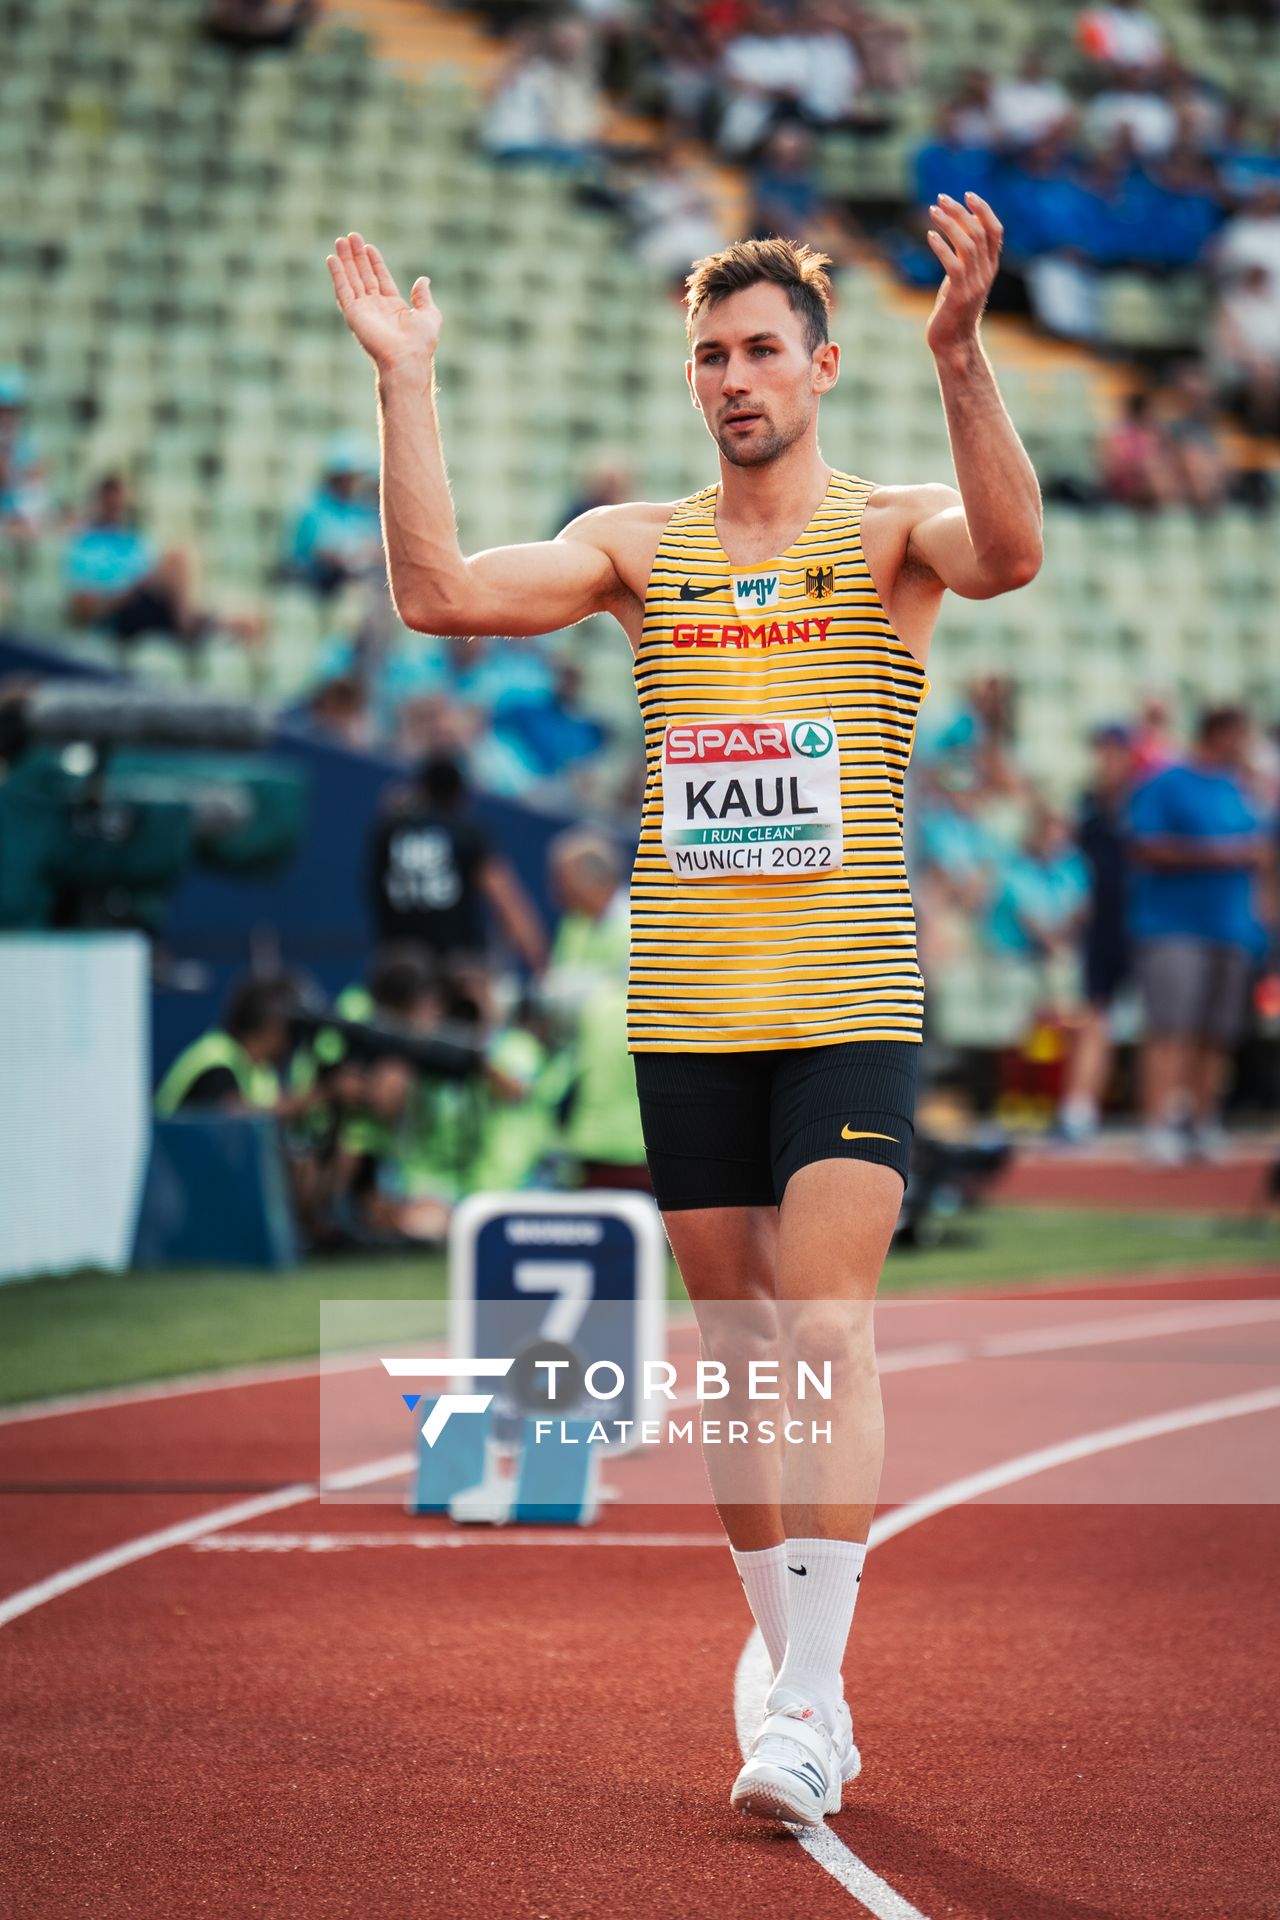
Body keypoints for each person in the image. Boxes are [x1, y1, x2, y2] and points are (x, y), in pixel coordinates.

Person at [327, 200, 1042, 1826]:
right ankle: (802, 1672)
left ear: (820, 366)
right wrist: (406, 381)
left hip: (850, 992)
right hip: (690, 1006)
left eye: (762, 350)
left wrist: (963, 352)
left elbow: (1010, 553)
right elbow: (436, 592)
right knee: (738, 1357)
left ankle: (799, 1701)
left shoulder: (882, 535)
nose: (734, 376)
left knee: (825, 1326)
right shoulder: (634, 550)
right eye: (711, 354)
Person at [1129, 705, 1275, 1163]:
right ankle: (1158, 1126)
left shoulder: (1243, 789)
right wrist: (1220, 855)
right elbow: (1145, 846)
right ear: (1218, 734)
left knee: (1217, 1033)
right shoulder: (1168, 782)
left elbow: (1263, 857)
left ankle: (1200, 1122)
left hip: (1232, 929)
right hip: (1174, 927)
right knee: (1171, 1029)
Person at [367, 750, 547, 973]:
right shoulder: (467, 833)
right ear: (461, 795)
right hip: (456, 969)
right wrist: (540, 968)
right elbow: (506, 901)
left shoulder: (388, 831)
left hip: (400, 970)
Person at [1060, 724, 1136, 1143]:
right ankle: (1080, 1109)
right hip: (1103, 925)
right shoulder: (1089, 805)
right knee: (1095, 1016)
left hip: (1146, 920)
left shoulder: (1143, 801)